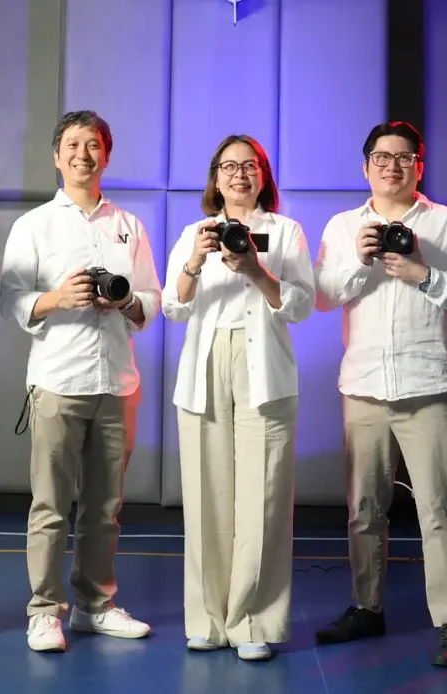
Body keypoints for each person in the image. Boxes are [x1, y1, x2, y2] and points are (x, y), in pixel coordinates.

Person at [311, 121, 447, 667]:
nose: (393, 166)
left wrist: (423, 273)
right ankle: (367, 607)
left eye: (404, 157)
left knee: (439, 510)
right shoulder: (343, 226)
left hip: (429, 384)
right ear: (366, 166)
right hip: (363, 386)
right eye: (382, 157)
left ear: (420, 165)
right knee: (364, 509)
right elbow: (322, 297)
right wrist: (358, 262)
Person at [0, 110, 162, 653]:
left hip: (117, 382)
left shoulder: (128, 224)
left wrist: (127, 302)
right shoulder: (35, 225)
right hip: (57, 380)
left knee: (104, 507)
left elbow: (152, 299)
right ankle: (45, 612)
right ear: (57, 155)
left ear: (106, 155)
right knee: (49, 505)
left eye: (93, 145)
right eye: (72, 144)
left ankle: (95, 605)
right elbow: (10, 299)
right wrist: (57, 298)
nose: (82, 154)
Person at [162, 134, 315, 662]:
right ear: (215, 178)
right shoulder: (195, 233)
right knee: (206, 494)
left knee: (263, 497)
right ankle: (208, 619)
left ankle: (253, 621)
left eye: (250, 166)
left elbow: (301, 305)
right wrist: (194, 262)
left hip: (263, 368)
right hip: (205, 365)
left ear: (263, 175)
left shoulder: (285, 231)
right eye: (228, 167)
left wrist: (254, 268)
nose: (239, 175)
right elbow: (173, 308)